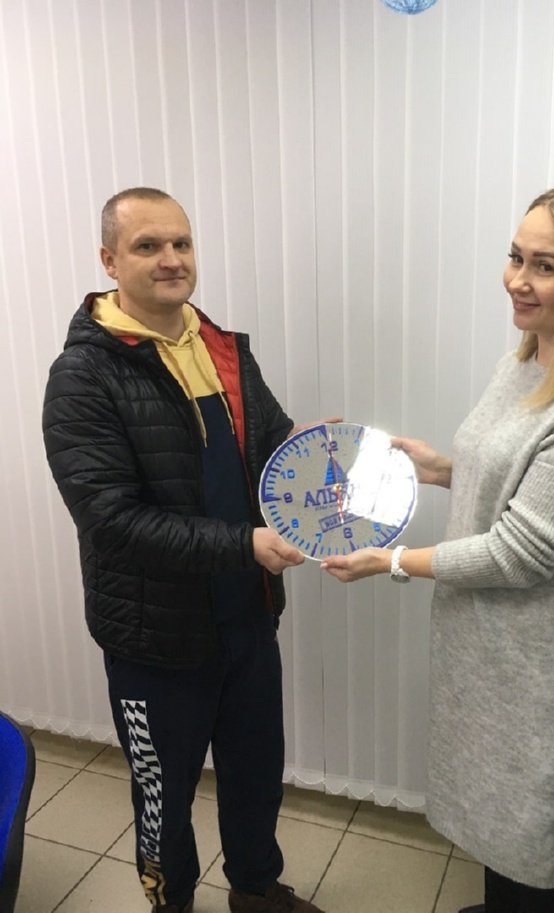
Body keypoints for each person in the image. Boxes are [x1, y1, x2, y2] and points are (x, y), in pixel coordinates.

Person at [321, 183, 554, 913]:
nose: (515, 280)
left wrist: (391, 561)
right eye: (515, 256)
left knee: (537, 852)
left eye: (544, 266)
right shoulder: (525, 360)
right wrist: (440, 467)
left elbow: (518, 553)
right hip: (483, 655)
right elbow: (515, 479)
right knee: (502, 841)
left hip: (541, 677)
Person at [42, 187, 329, 913]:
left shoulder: (220, 347)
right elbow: (111, 520)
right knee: (163, 797)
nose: (171, 259)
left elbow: (267, 450)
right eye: (148, 246)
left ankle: (256, 890)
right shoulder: (83, 376)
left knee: (256, 773)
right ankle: (171, 902)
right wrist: (246, 542)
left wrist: (309, 451)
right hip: (156, 637)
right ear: (109, 260)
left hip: (247, 618)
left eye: (182, 243)